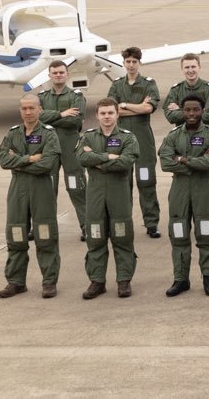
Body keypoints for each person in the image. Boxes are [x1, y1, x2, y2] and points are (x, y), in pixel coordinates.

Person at [0, 95, 62, 299]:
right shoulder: (13, 133)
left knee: (45, 235)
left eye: (31, 108)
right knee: (16, 234)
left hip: (41, 188)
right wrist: (31, 158)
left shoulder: (49, 134)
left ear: (39, 110)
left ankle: (49, 282)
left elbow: (48, 164)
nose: (28, 112)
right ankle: (16, 282)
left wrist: (18, 161)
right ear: (20, 111)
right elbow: (3, 159)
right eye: (24, 108)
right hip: (17, 189)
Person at [158, 94, 209, 297]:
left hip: (204, 191)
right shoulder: (173, 135)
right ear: (182, 112)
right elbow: (165, 162)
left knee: (207, 234)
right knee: (178, 234)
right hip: (179, 192)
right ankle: (181, 279)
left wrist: (182, 160)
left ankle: (208, 278)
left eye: (196, 110)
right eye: (187, 110)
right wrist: (195, 162)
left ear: (202, 111)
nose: (192, 114)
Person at [79, 98, 139, 299]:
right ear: (97, 115)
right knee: (95, 236)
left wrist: (97, 160)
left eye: (110, 113)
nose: (106, 117)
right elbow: (81, 158)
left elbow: (126, 162)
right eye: (103, 113)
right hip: (95, 194)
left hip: (118, 194)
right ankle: (97, 281)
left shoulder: (128, 138)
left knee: (122, 236)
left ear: (117, 114)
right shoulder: (87, 137)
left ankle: (124, 280)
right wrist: (109, 157)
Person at [106, 47, 162, 238]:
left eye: (134, 62)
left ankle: (151, 223)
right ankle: (123, 221)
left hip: (143, 139)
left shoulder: (148, 83)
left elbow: (148, 108)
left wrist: (124, 105)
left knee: (146, 180)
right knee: (123, 182)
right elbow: (112, 110)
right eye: (128, 62)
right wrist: (135, 108)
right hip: (121, 140)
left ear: (139, 63)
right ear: (124, 63)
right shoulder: (116, 85)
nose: (131, 65)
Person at [38, 61, 88, 241]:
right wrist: (61, 114)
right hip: (49, 149)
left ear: (67, 74)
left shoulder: (76, 96)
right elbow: (38, 119)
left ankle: (87, 226)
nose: (58, 75)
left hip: (70, 147)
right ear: (49, 75)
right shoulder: (42, 96)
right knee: (47, 190)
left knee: (77, 188)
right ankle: (45, 228)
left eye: (61, 72)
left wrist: (49, 117)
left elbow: (75, 121)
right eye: (54, 73)